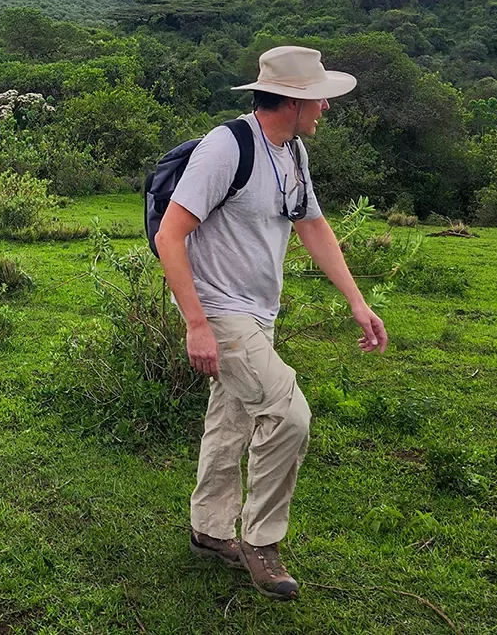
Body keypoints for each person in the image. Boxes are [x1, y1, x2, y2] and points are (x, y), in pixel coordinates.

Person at [154, 46, 388, 602]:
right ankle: (262, 542)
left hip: (260, 312)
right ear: (292, 101)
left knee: (232, 420)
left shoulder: (293, 151)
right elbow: (169, 235)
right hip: (220, 310)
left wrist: (357, 302)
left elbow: (314, 228)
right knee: (289, 414)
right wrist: (196, 324)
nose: (326, 107)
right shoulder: (225, 148)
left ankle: (210, 532)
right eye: (318, 98)